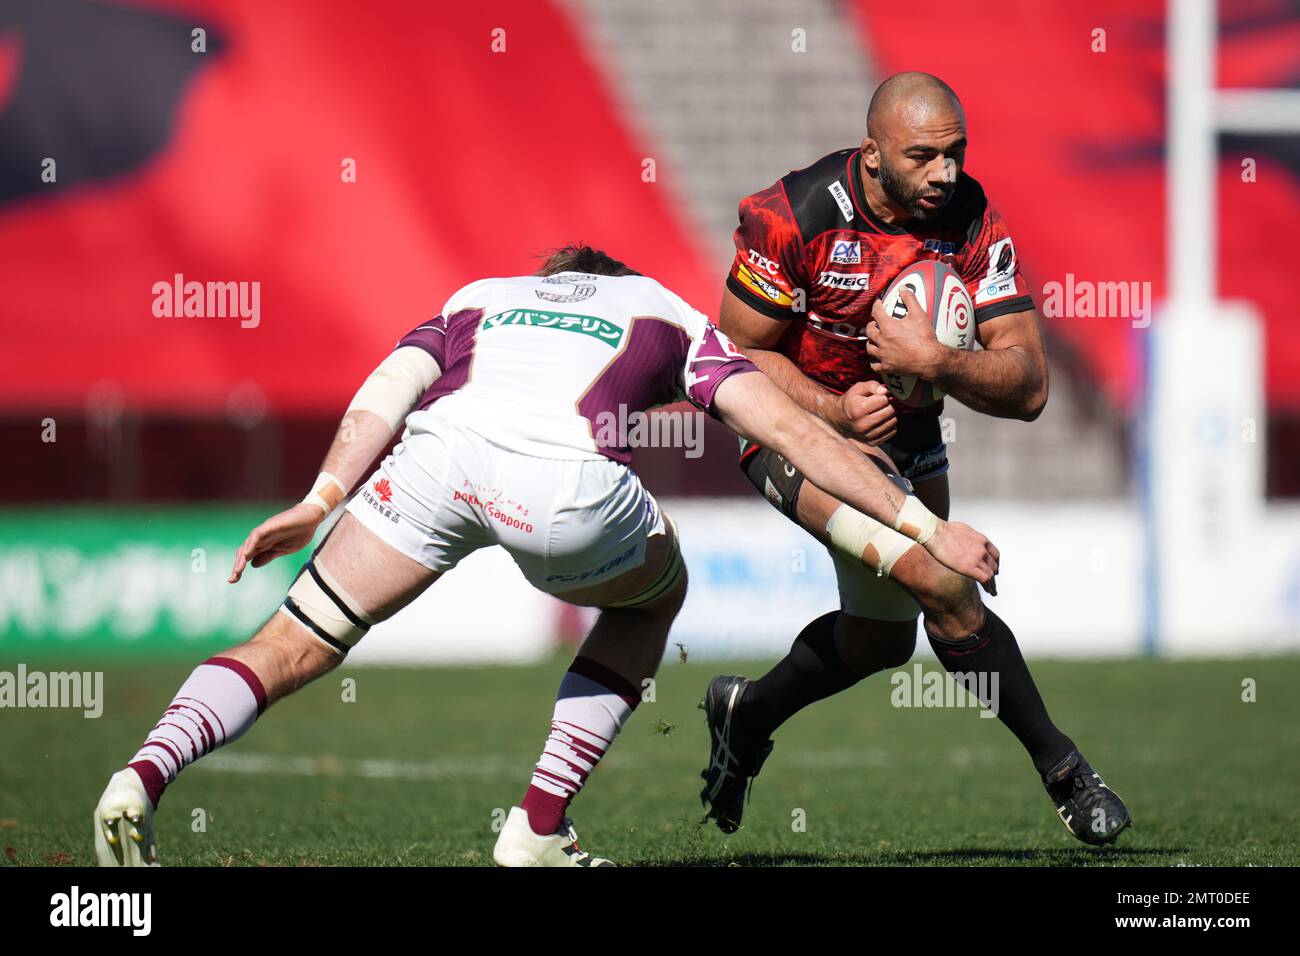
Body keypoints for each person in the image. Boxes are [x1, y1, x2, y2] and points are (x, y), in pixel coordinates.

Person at [92, 244, 999, 867]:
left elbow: (388, 386)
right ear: (613, 278)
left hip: (437, 462)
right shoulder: (663, 310)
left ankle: (142, 774)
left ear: (552, 280)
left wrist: (321, 498)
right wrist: (926, 526)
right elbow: (796, 435)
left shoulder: (477, 297)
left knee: (291, 639)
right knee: (654, 594)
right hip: (563, 491)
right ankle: (537, 829)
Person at [699, 72, 1130, 845]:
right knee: (941, 577)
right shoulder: (793, 215)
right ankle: (1065, 770)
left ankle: (746, 715)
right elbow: (729, 354)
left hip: (911, 442)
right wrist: (830, 409)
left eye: (956, 153)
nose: (946, 173)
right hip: (791, 433)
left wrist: (934, 360)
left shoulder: (970, 219)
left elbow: (1028, 387)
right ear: (871, 155)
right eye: (925, 156)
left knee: (882, 642)